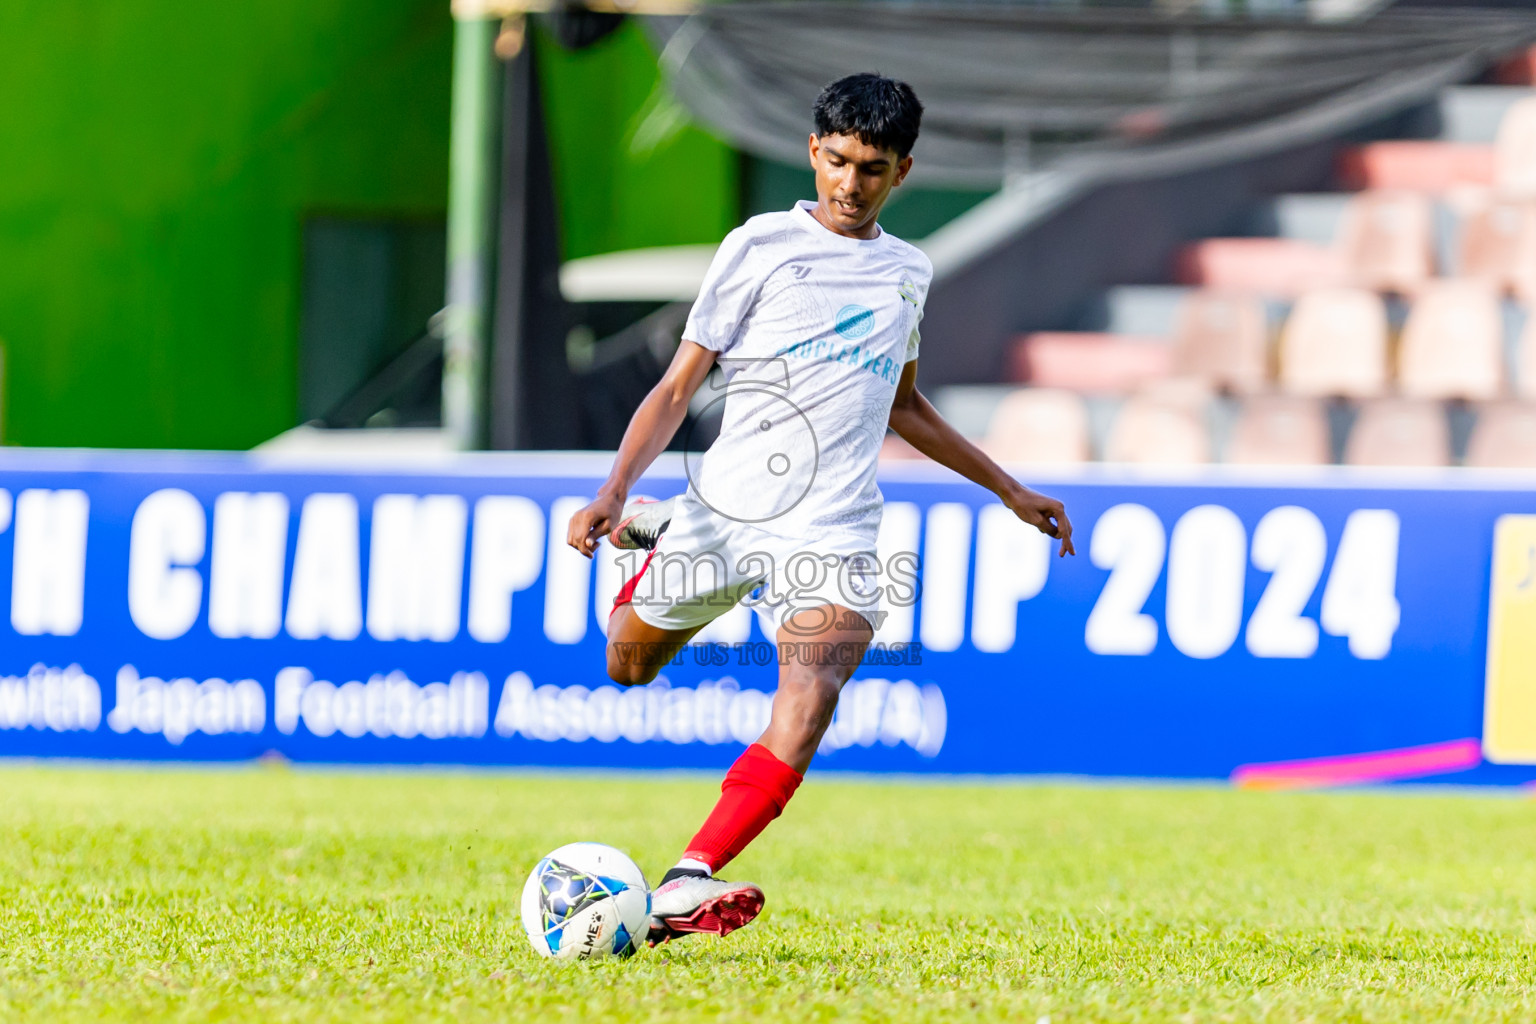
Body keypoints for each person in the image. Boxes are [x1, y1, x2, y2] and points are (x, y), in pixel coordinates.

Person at [566, 72, 1074, 946]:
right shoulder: (759, 245)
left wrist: (1009, 488)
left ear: (902, 172)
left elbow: (904, 405)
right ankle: (653, 527)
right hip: (724, 513)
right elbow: (679, 384)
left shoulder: (908, 273)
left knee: (811, 694)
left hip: (833, 531)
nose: (849, 183)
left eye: (871, 168)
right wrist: (613, 493)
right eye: (837, 160)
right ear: (812, 152)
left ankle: (689, 878)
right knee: (627, 664)